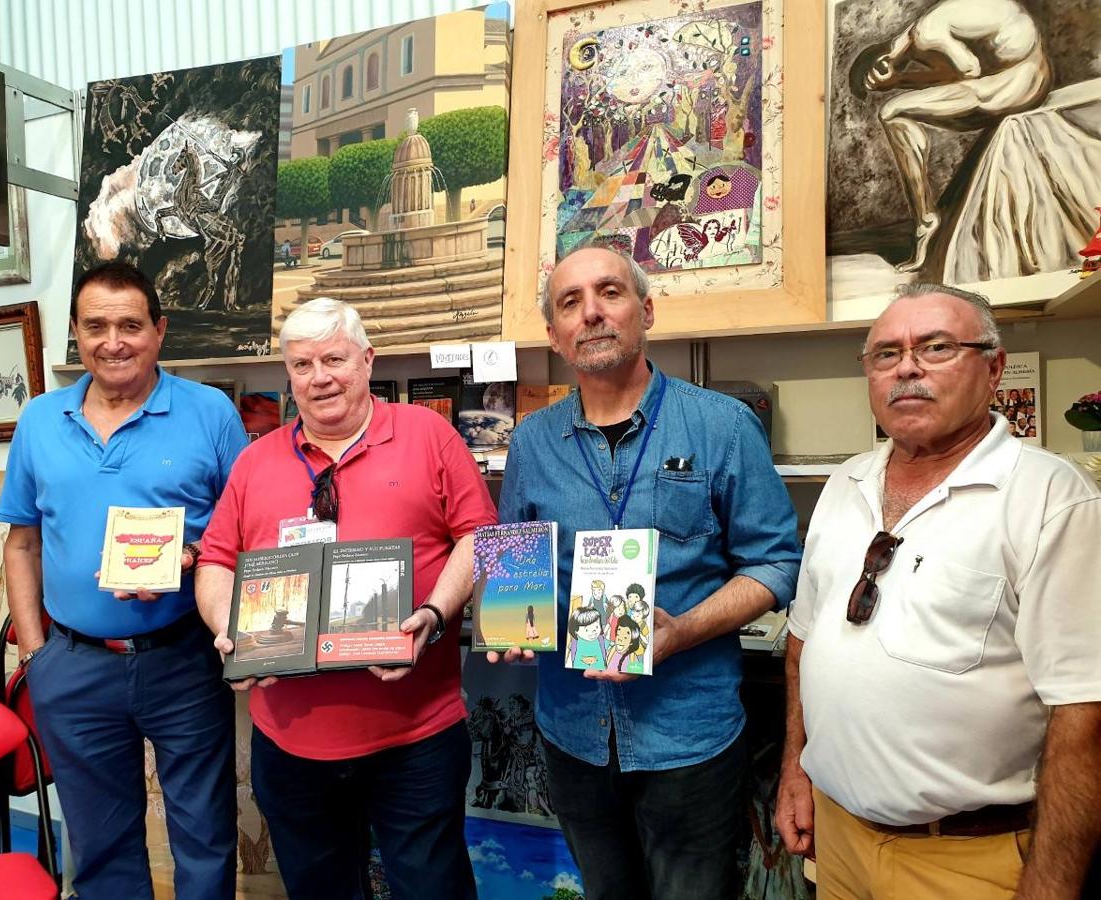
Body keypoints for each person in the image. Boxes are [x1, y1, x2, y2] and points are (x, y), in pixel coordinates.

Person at [493, 239, 801, 900]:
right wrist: (512, 620)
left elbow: (776, 564)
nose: (592, 313)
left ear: (646, 310)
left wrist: (682, 631)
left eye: (610, 292)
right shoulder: (532, 441)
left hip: (687, 736)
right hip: (572, 732)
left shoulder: (722, 427)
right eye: (570, 303)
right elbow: (518, 561)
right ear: (554, 334)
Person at [776, 283, 1101, 899]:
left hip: (966, 859)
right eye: (885, 354)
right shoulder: (846, 482)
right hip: (839, 837)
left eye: (936, 347)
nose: (907, 368)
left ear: (994, 368)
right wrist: (796, 768)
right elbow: (803, 641)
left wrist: (1050, 886)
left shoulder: (1051, 500)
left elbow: (1084, 712)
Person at [195, 297, 495, 900]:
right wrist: (228, 630)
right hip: (290, 744)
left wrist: (434, 616)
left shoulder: (429, 434)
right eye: (303, 364)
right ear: (289, 375)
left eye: (334, 358)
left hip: (417, 738)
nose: (320, 377)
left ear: (366, 360)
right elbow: (215, 561)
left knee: (433, 888)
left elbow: (480, 539)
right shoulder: (255, 462)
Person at [0, 262, 247, 899]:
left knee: (203, 833)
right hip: (74, 667)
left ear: (159, 331)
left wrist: (188, 558)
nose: (115, 341)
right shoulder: (39, 420)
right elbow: (21, 541)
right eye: (97, 326)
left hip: (183, 659)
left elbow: (249, 531)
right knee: (101, 843)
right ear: (76, 334)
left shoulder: (210, 412)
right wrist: (35, 652)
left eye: (131, 325)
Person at [855, 0, 1051, 272]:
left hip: (1016, 83)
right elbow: (962, 72)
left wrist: (899, 81)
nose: (879, 88)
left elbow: (969, 70)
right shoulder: (921, 31)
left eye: (873, 83)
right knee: (899, 108)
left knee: (891, 112)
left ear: (880, 63)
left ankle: (925, 221)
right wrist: (898, 80)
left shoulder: (925, 33)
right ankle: (925, 220)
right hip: (1029, 72)